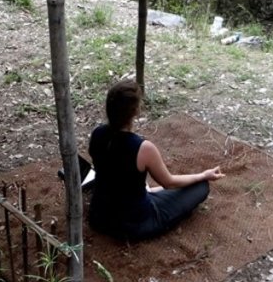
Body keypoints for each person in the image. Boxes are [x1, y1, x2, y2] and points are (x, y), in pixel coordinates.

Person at [88, 78, 223, 242]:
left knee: (142, 189)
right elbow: (169, 183)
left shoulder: (97, 134)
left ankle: (147, 193)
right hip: (133, 224)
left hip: (99, 216)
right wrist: (203, 175)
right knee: (200, 187)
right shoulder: (143, 148)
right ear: (136, 111)